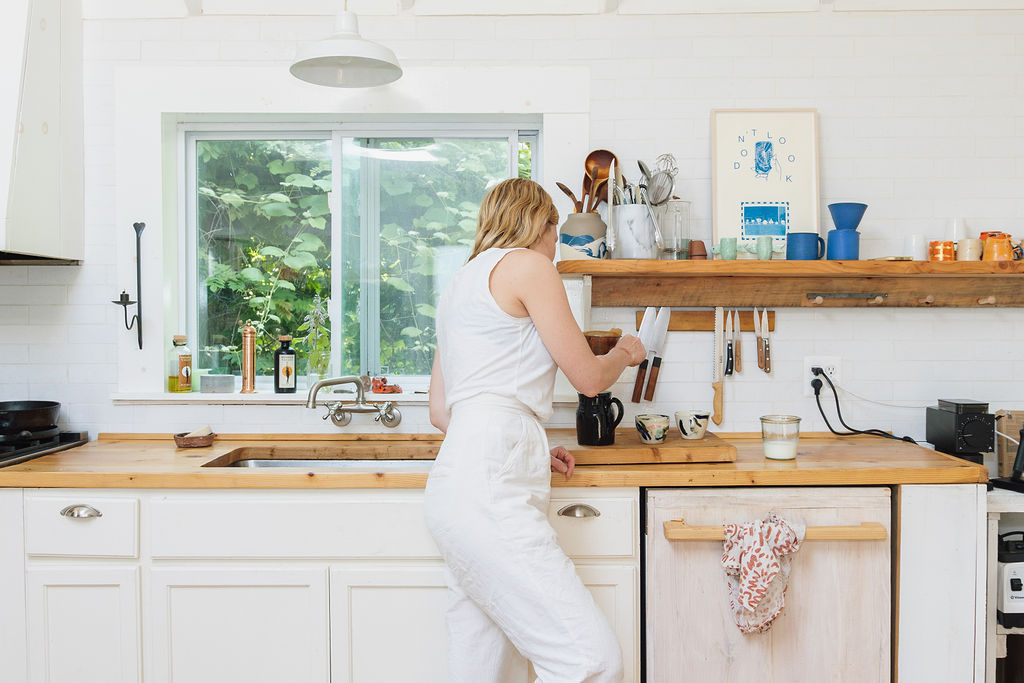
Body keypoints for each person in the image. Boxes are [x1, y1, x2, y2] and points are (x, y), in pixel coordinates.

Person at [424, 178, 646, 682]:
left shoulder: (459, 284)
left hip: (457, 487)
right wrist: (625, 355)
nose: (556, 244)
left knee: (481, 665)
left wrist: (524, 446)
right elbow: (589, 376)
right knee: (590, 661)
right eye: (554, 231)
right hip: (488, 486)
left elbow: (443, 411)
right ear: (538, 224)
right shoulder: (529, 264)